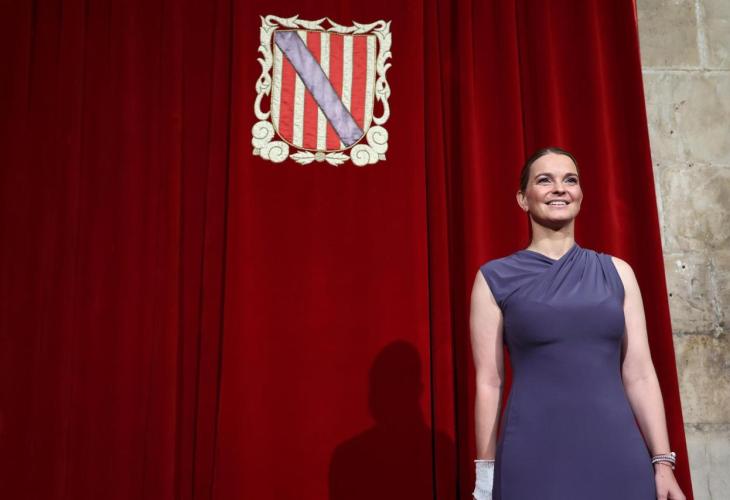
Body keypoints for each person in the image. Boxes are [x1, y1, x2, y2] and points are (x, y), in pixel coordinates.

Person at [469, 147, 687, 499]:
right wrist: (485, 472)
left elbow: (640, 373)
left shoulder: (618, 273)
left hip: (616, 451)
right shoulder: (494, 278)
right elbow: (489, 381)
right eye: (545, 180)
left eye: (569, 180)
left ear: (580, 195)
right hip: (532, 451)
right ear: (523, 198)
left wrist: (663, 463)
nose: (560, 188)